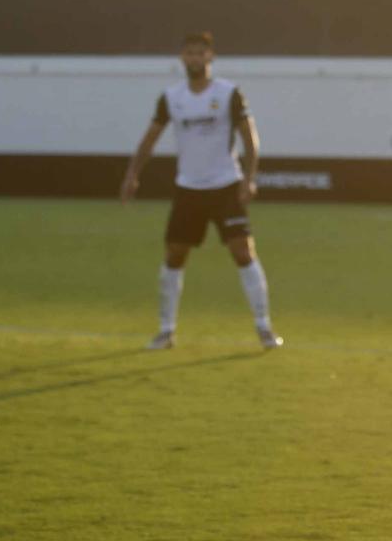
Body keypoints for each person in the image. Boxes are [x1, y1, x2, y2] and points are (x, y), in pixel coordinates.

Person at [119, 31, 279, 350]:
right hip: (188, 190)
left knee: (243, 251)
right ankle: (166, 330)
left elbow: (250, 137)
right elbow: (150, 138)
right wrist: (132, 174)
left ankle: (264, 327)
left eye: (200, 53)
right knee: (175, 255)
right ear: (182, 58)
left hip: (225, 187)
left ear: (211, 57)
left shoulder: (229, 93)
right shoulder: (172, 98)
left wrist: (249, 177)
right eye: (189, 53)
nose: (194, 58)